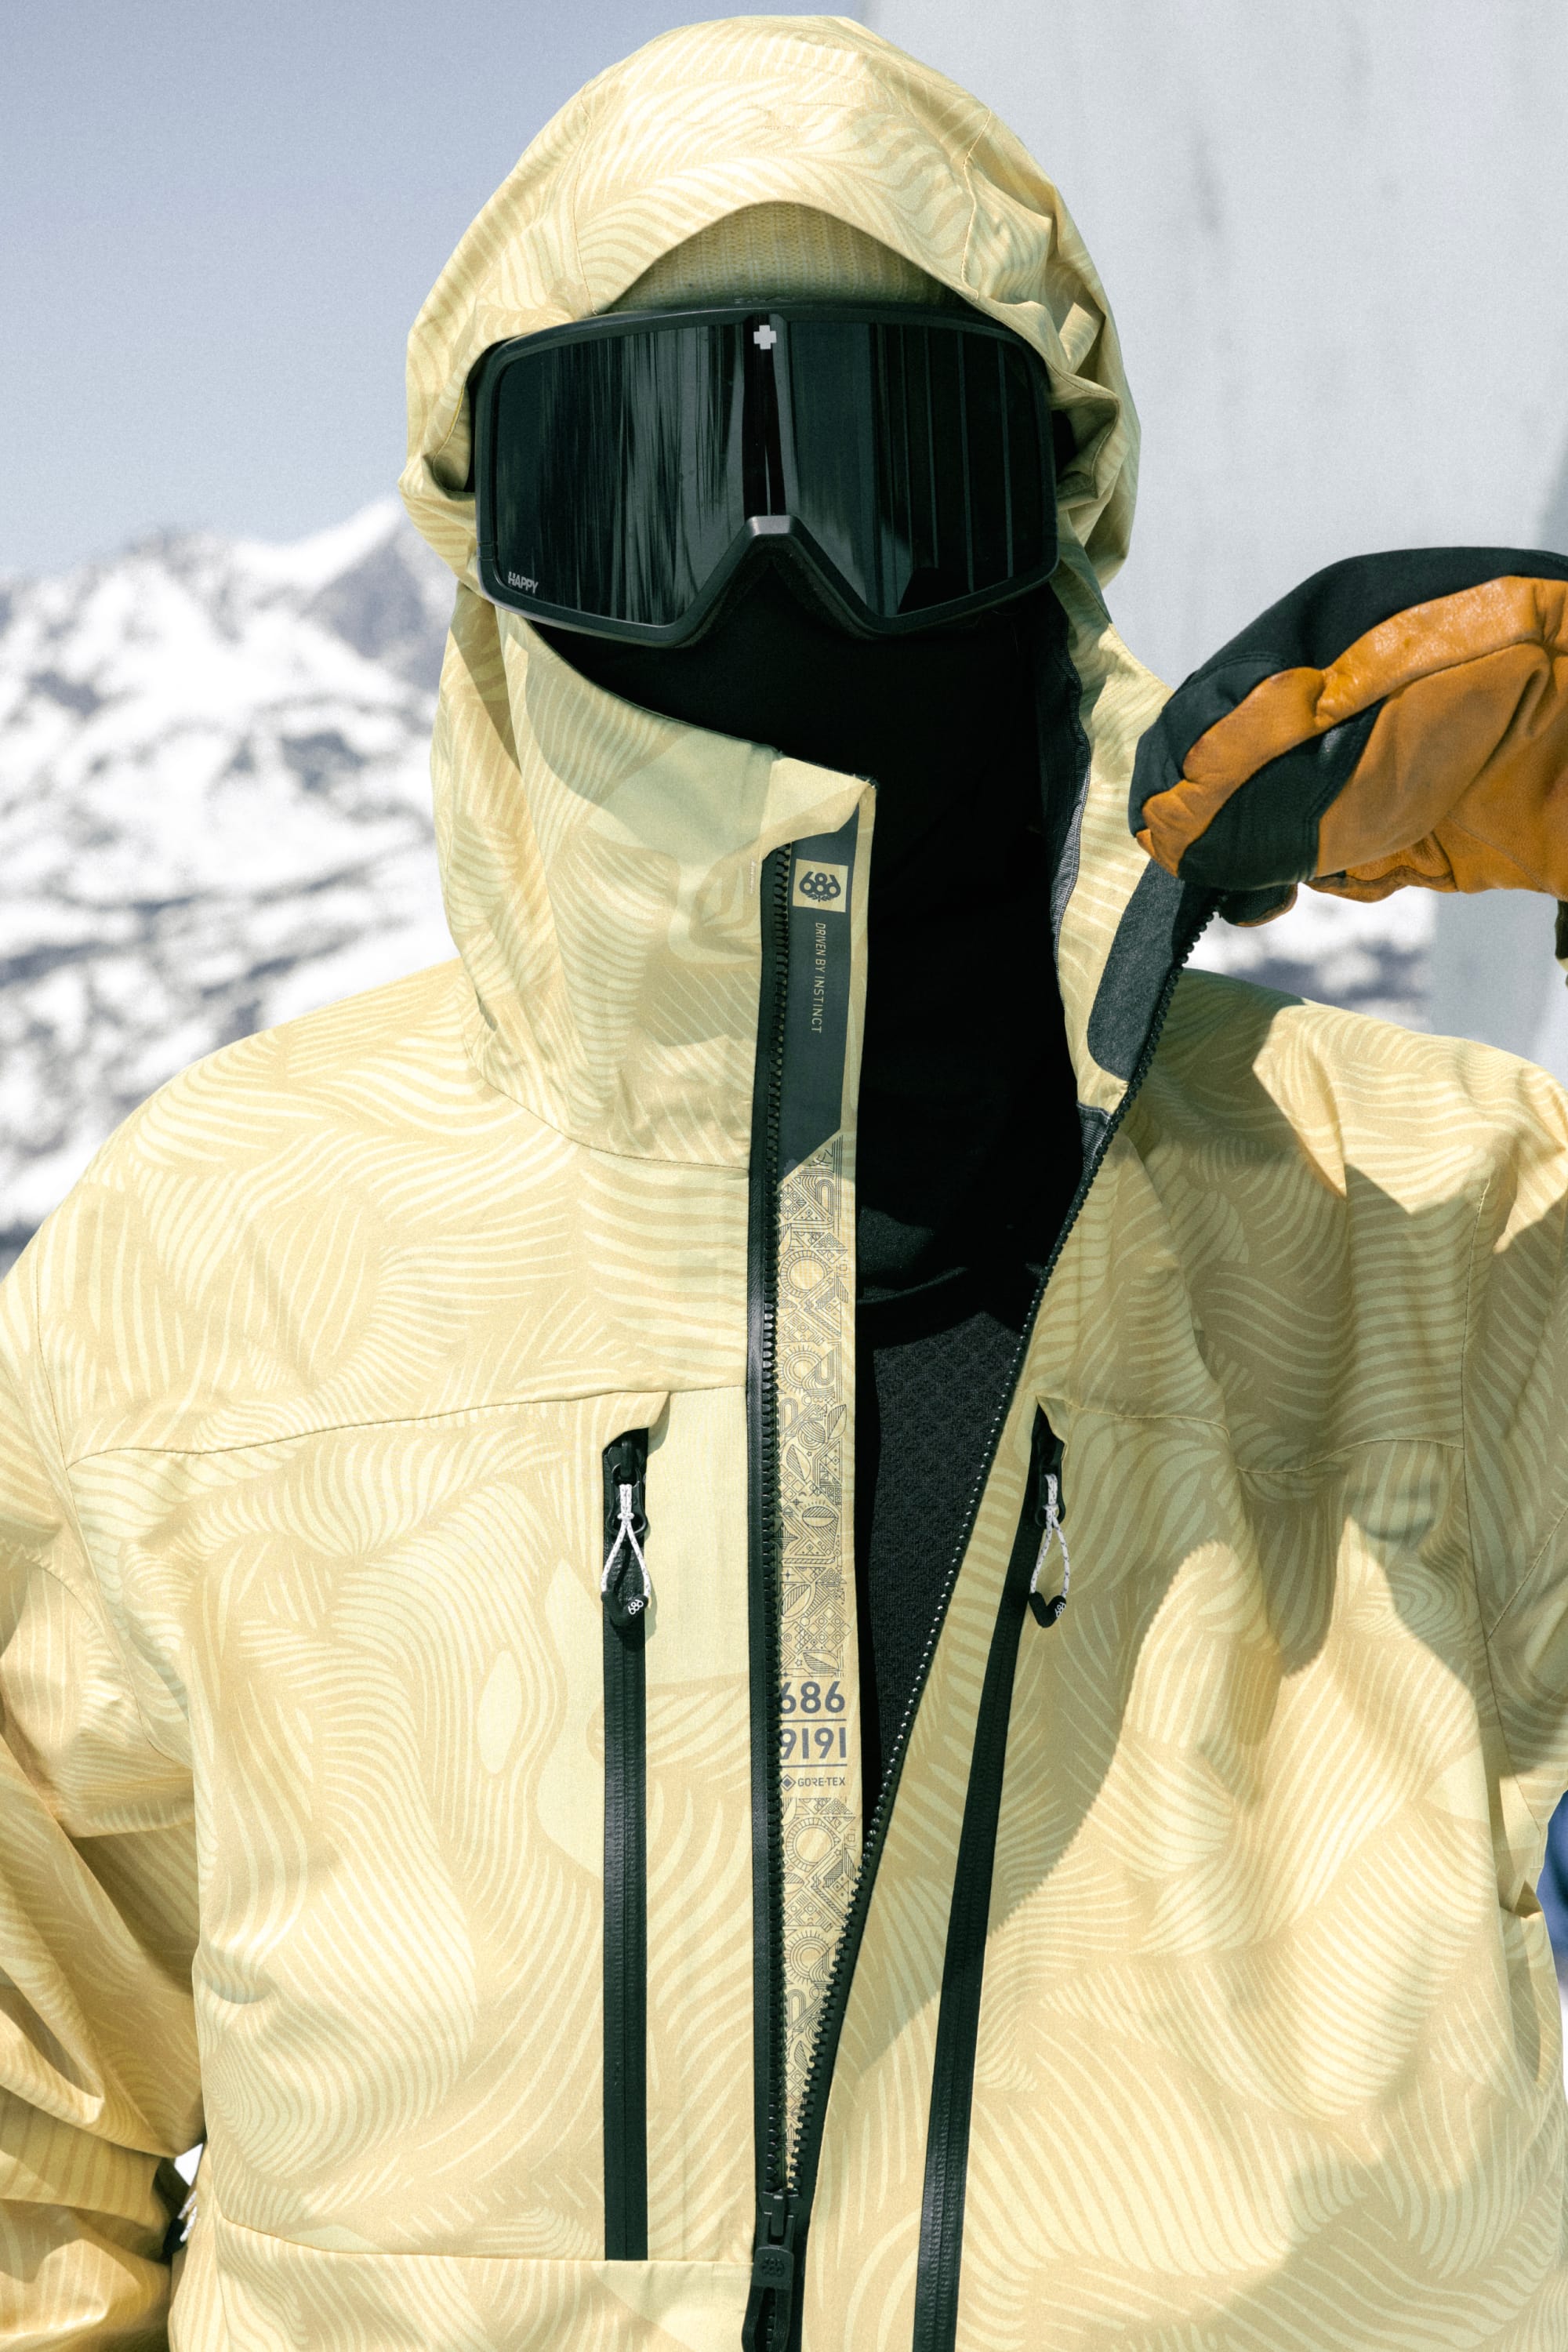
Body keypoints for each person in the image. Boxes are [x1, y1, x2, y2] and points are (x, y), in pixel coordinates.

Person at [3, 17, 1567, 2350]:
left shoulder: (1452, 1233)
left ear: (1055, 509)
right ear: (487, 541)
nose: (781, 564)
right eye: (638, 472)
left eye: (887, 458)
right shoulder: (224, 1247)